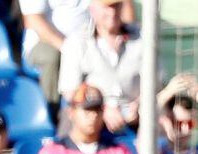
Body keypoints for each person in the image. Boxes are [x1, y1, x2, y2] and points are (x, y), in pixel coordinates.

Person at [57, 0, 142, 133]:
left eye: (116, 6)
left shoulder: (141, 38)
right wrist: (103, 107)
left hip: (136, 118)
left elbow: (157, 84)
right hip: (92, 115)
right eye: (106, 7)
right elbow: (70, 92)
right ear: (92, 9)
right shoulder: (77, 41)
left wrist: (139, 105)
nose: (112, 12)